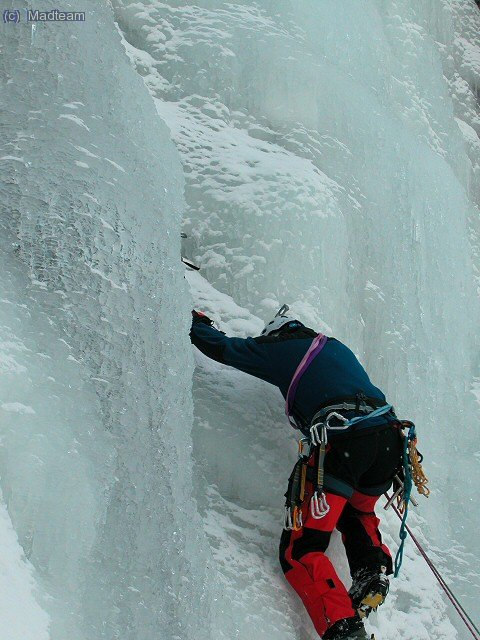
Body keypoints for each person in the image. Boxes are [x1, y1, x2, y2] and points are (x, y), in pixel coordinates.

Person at [190, 308, 403, 640]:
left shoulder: (283, 349)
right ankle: (369, 569)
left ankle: (341, 626)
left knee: (302, 549)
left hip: (346, 440)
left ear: (276, 335)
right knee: (356, 508)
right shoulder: (334, 347)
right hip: (388, 440)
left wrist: (194, 322)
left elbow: (224, 349)